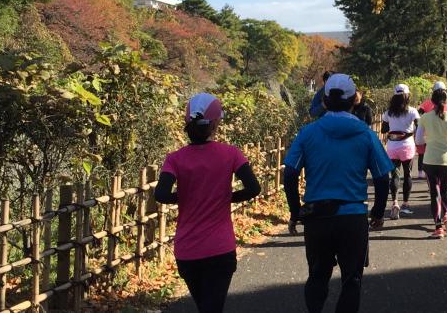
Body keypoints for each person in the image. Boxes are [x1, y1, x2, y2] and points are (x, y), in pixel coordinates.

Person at [282, 74, 393, 313]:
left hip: (317, 218)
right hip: (352, 216)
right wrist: (378, 212)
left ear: (324, 101)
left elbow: (290, 174)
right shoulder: (365, 134)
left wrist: (295, 211)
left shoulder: (308, 132)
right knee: (351, 280)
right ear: (354, 100)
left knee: (317, 276)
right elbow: (383, 177)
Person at [154, 93, 262, 313]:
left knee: (204, 306)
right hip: (220, 248)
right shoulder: (231, 153)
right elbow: (254, 188)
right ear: (214, 124)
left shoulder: (174, 158)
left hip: (187, 250)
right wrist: (225, 197)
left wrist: (186, 197)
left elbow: (161, 194)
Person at [414, 86, 447, 239]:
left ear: (432, 101)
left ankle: (438, 227)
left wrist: (430, 140)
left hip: (429, 159)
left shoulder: (424, 118)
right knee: (445, 190)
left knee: (434, 193)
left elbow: (418, 140)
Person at [381, 84, 420, 219]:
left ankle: (394, 203)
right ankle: (405, 204)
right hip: (407, 145)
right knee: (407, 175)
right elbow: (419, 127)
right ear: (407, 96)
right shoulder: (412, 111)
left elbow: (383, 130)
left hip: (392, 147)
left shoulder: (388, 113)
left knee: (395, 175)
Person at [415, 81, 447, 179]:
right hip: (445, 138)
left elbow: (419, 115)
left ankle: (421, 171)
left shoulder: (426, 103)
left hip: (428, 135)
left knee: (423, 153)